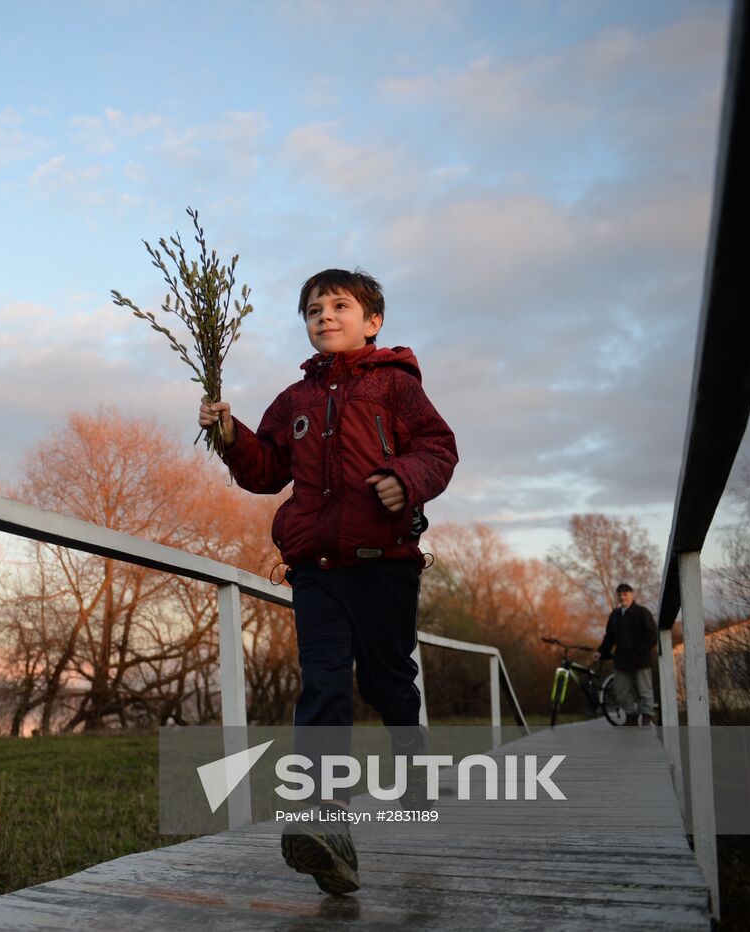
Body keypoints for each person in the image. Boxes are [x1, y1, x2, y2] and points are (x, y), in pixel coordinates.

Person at [198, 268, 457, 895]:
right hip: (317, 570)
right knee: (323, 688)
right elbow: (265, 471)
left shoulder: (397, 387)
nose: (324, 316)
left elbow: (440, 447)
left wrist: (407, 477)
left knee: (388, 678)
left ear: (373, 321)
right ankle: (325, 826)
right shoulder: (294, 401)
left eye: (340, 305)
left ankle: (412, 757)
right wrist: (230, 436)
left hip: (385, 563)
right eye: (313, 309)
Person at [594, 583, 658, 725]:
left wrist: (638, 652)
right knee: (621, 691)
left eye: (625, 594)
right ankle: (631, 716)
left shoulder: (642, 613)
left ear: (631, 595)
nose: (622, 597)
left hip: (641, 660)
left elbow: (652, 635)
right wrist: (600, 651)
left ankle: (646, 716)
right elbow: (609, 638)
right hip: (621, 661)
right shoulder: (615, 615)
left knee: (644, 690)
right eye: (620, 595)